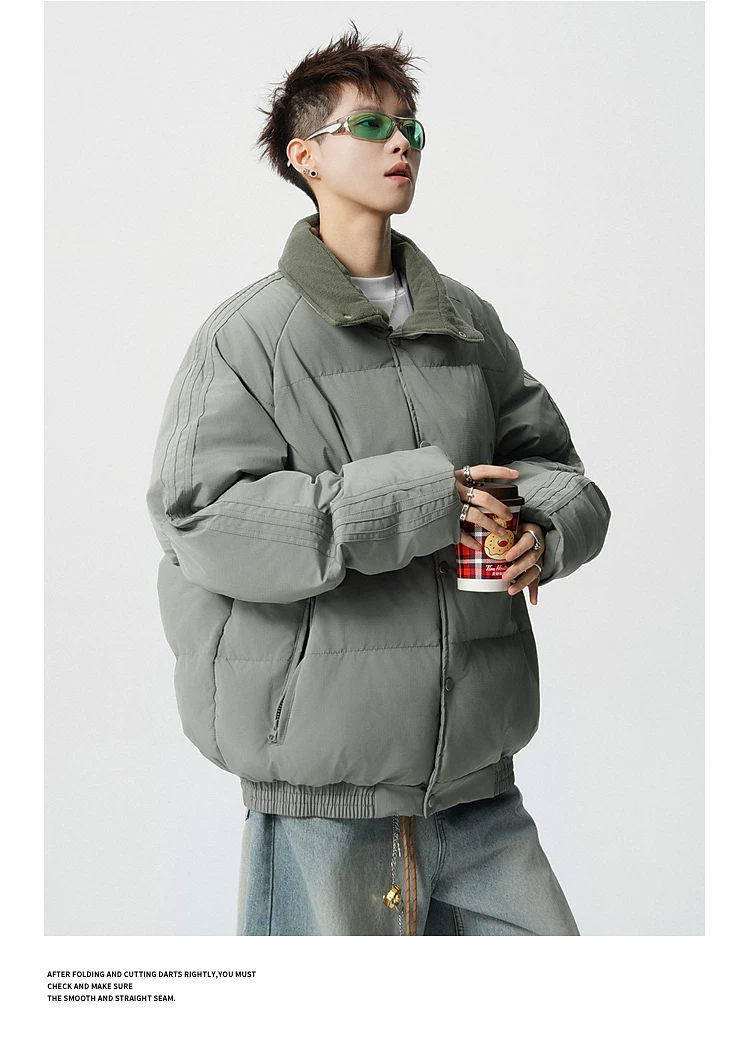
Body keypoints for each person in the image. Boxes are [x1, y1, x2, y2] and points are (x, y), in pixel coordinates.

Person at [146, 23, 611, 936]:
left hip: (477, 786)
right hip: (325, 795)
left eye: (410, 125)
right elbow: (200, 518)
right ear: (305, 156)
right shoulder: (248, 337)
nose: (400, 141)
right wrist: (418, 499)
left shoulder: (465, 322)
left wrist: (540, 530)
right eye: (370, 124)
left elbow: (558, 468)